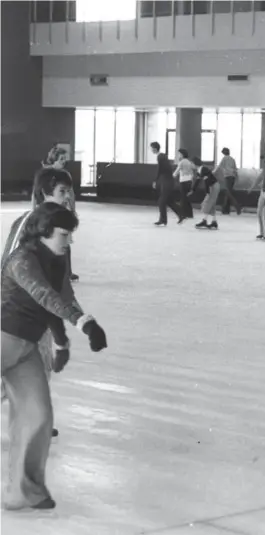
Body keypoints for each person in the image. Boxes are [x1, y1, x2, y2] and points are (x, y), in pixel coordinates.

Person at [1, 202, 107, 511]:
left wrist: (63, 343)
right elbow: (44, 296)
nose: (69, 241)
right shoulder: (22, 260)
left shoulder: (57, 260)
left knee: (39, 416)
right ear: (44, 232)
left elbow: (62, 298)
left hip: (25, 349)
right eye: (64, 234)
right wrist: (84, 323)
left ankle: (23, 492)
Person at [2, 168, 79, 438]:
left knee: (41, 364)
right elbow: (11, 264)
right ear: (45, 192)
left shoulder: (58, 224)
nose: (67, 196)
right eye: (62, 191)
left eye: (69, 191)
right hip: (18, 310)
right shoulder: (29, 222)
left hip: (42, 310)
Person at [36, 146, 79, 282]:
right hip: (48, 212)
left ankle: (67, 272)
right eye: (61, 159)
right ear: (54, 160)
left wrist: (72, 209)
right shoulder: (45, 175)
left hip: (63, 211)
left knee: (65, 241)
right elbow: (35, 194)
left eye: (65, 159)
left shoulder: (66, 175)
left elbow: (71, 195)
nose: (64, 162)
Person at [150, 141, 181, 226]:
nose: (151, 150)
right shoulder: (162, 156)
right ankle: (181, 214)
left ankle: (163, 220)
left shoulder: (160, 156)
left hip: (167, 181)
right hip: (167, 181)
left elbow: (160, 170)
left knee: (161, 201)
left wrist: (155, 180)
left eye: (151, 148)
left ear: (155, 148)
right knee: (169, 201)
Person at [192, 157, 220, 230]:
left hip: (213, 186)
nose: (191, 165)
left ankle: (204, 220)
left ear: (195, 164)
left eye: (192, 163)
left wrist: (207, 192)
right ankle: (214, 222)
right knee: (212, 204)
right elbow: (197, 181)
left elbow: (207, 180)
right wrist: (192, 190)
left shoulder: (203, 169)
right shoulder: (199, 170)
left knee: (207, 202)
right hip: (213, 186)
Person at [214, 148, 242, 215]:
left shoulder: (225, 158)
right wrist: (237, 178)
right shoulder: (232, 159)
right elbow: (235, 170)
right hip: (232, 177)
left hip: (227, 176)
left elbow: (219, 166)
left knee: (228, 193)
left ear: (224, 153)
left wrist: (213, 172)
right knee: (228, 193)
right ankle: (225, 210)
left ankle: (237, 206)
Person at [173, 148, 195, 221]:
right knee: (186, 198)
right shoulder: (189, 162)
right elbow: (193, 170)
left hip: (183, 181)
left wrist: (171, 176)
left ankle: (183, 214)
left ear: (182, 154)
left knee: (183, 198)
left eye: (179, 154)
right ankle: (189, 214)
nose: (178, 155)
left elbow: (176, 172)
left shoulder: (181, 162)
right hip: (189, 181)